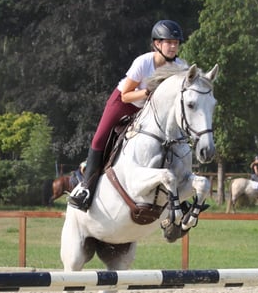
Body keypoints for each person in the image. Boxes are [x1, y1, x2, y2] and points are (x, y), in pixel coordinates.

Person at [68, 19, 188, 211]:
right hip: (124, 103)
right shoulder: (143, 62)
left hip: (149, 111)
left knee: (172, 143)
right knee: (100, 139)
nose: (174, 46)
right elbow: (126, 95)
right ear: (157, 44)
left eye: (176, 43)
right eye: (169, 42)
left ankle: (180, 196)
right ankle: (86, 190)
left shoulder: (180, 66)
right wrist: (148, 93)